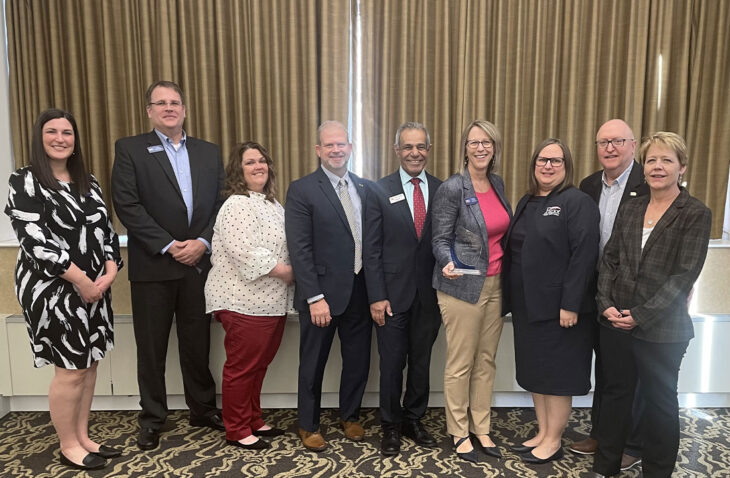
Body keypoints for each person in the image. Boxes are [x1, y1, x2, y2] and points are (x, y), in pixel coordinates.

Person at [5, 109, 123, 470]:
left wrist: (111, 270)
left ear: (75, 140)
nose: (60, 138)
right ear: (39, 138)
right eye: (52, 131)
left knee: (89, 364)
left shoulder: (88, 180)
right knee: (70, 367)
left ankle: (84, 436)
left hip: (94, 288)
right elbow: (36, 242)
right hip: (52, 290)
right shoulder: (24, 180)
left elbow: (105, 231)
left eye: (67, 133)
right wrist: (84, 281)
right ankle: (68, 444)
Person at [111, 80, 225, 451]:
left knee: (197, 344)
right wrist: (168, 245)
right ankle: (153, 418)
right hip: (153, 266)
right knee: (152, 347)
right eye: (160, 103)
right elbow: (127, 205)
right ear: (149, 111)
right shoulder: (130, 149)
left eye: (175, 102)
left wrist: (203, 242)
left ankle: (203, 409)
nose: (169, 108)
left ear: (185, 109)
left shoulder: (209, 152)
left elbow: (220, 205)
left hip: (198, 264)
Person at [591, 132, 711, 478]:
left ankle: (657, 472)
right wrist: (606, 304)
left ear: (682, 167)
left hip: (663, 330)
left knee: (659, 405)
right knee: (615, 398)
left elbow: (683, 276)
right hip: (615, 322)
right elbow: (610, 261)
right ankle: (605, 468)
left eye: (667, 160)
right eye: (653, 160)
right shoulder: (631, 208)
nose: (658, 167)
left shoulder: (695, 213)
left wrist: (640, 316)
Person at [504, 138, 599, 465]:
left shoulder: (577, 202)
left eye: (556, 161)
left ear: (566, 166)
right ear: (533, 165)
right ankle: (543, 432)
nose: (548, 166)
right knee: (537, 373)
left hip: (561, 311)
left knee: (557, 378)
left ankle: (554, 439)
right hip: (527, 306)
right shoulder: (526, 201)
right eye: (542, 160)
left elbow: (583, 257)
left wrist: (571, 303)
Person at [285, 120, 374, 452]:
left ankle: (350, 416)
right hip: (320, 297)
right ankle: (308, 424)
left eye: (342, 144)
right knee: (313, 362)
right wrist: (315, 296)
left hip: (360, 291)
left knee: (358, 360)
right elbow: (300, 248)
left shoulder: (365, 188)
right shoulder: (303, 189)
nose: (337, 150)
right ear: (318, 150)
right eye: (329, 145)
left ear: (351, 147)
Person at [570, 119, 649, 472]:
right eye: (603, 142)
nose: (610, 148)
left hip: (632, 294)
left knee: (628, 374)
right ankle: (602, 433)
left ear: (633, 144)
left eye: (617, 141)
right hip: (595, 292)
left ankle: (631, 442)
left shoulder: (648, 183)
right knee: (604, 367)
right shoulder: (588, 185)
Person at [431, 120, 512, 463]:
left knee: (486, 361)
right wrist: (447, 260)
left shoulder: (497, 182)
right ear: (465, 147)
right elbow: (439, 238)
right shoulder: (453, 187)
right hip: (461, 285)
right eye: (474, 142)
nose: (481, 148)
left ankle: (482, 428)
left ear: (494, 147)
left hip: (496, 283)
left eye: (487, 142)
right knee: (461, 363)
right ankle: (459, 431)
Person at [205, 142, 293, 450]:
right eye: (249, 162)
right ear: (238, 171)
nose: (258, 166)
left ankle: (253, 418)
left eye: (262, 161)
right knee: (242, 367)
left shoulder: (272, 204)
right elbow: (244, 251)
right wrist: (286, 271)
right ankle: (237, 428)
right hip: (242, 300)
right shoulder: (236, 204)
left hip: (271, 302)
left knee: (258, 365)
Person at [363, 122, 443, 456]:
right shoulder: (378, 190)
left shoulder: (442, 189)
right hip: (391, 297)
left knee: (421, 363)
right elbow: (372, 249)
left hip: (431, 296)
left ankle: (413, 418)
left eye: (421, 147)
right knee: (392, 363)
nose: (415, 153)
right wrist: (377, 296)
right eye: (408, 147)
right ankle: (390, 426)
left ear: (428, 150)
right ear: (397, 151)